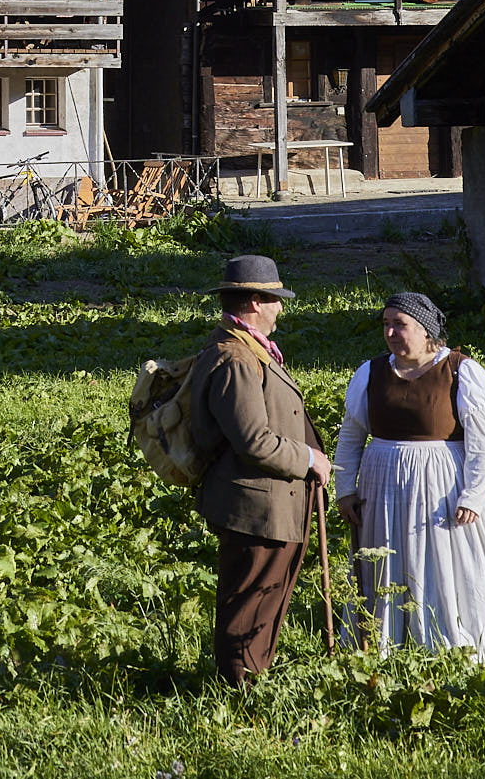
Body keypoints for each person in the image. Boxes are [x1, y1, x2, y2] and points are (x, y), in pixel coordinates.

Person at [329, 290, 485, 660]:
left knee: (447, 563)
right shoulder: (370, 373)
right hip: (382, 489)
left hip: (442, 489)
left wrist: (472, 496)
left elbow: (483, 445)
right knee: (387, 562)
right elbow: (351, 436)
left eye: (399, 324)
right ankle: (385, 640)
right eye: (385, 324)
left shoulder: (460, 371)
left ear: (425, 330)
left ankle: (453, 640)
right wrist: (344, 489)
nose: (390, 332)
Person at [184, 252, 331, 687]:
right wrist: (308, 458)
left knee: (264, 599)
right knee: (250, 601)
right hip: (255, 506)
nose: (280, 308)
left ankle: (249, 678)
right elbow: (254, 441)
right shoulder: (236, 359)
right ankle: (239, 688)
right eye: (274, 299)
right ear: (252, 302)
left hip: (270, 503)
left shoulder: (250, 351)